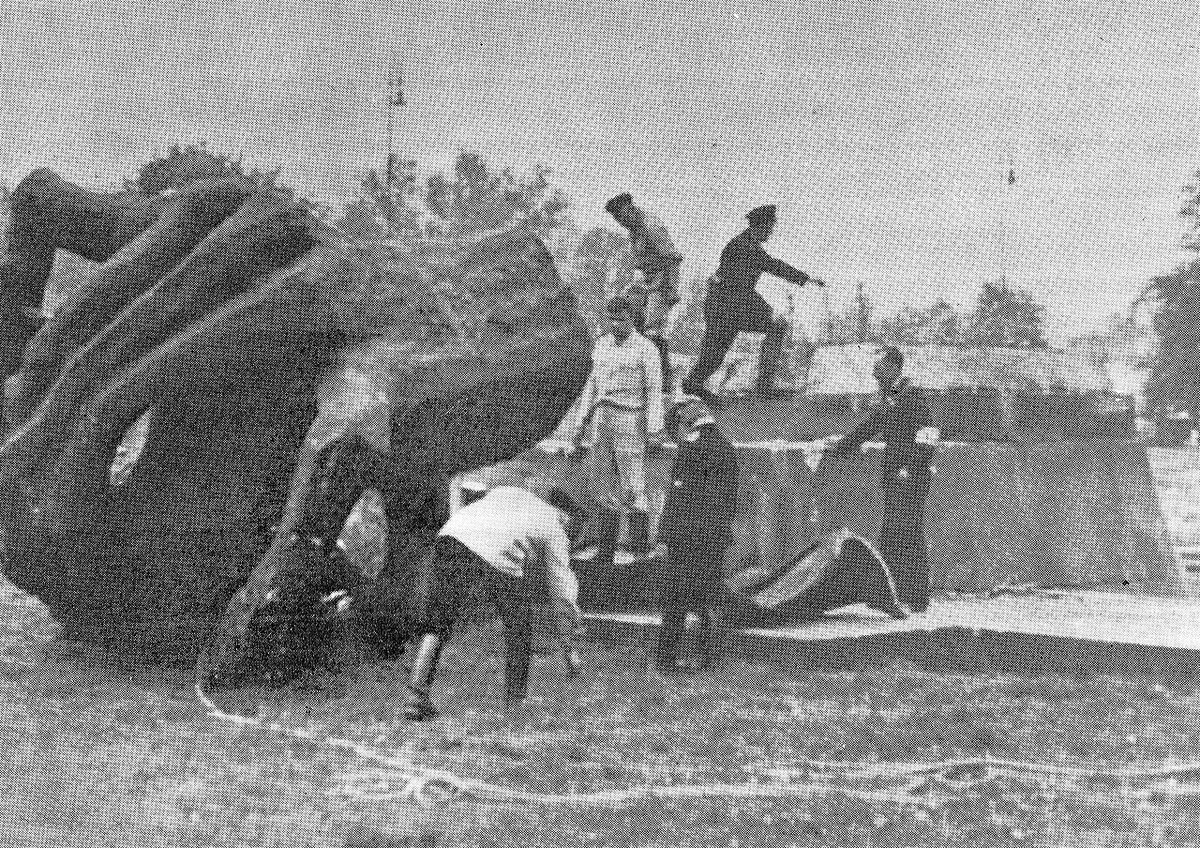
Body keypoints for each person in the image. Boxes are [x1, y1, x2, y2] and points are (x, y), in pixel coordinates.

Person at [403, 485, 588, 720]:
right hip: (494, 550)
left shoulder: (511, 492)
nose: (571, 536)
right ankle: (515, 705)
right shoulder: (555, 526)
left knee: (439, 621)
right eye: (573, 530)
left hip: (452, 535)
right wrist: (570, 648)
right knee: (519, 625)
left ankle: (416, 697)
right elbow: (562, 592)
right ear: (565, 516)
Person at [827, 346, 936, 612]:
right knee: (895, 535)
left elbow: (929, 434)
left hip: (909, 476)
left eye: (879, 367)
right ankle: (904, 596)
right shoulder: (892, 397)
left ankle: (916, 598)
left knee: (906, 534)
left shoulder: (912, 395)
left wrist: (910, 468)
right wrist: (838, 448)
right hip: (896, 476)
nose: (874, 372)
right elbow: (870, 426)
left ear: (893, 366)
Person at [682, 204, 824, 401]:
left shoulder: (745, 244)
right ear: (761, 226)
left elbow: (765, 269)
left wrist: (805, 279)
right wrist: (806, 279)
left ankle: (696, 384)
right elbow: (772, 266)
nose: (771, 233)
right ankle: (760, 387)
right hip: (726, 304)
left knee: (717, 351)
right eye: (770, 228)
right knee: (717, 351)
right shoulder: (745, 247)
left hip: (730, 302)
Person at [570, 295, 665, 562]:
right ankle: (606, 549)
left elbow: (654, 391)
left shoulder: (646, 349)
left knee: (633, 482)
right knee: (602, 484)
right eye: (611, 319)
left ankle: (640, 549)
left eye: (621, 319)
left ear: (632, 319)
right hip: (602, 417)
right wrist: (580, 425)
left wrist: (655, 429)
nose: (615, 324)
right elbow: (592, 387)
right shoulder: (601, 345)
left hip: (629, 418)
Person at [655, 396, 740, 673]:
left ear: (684, 424)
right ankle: (709, 658)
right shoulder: (727, 448)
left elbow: (678, 497)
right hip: (714, 537)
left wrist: (665, 536)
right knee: (710, 597)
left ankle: (667, 661)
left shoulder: (690, 449)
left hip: (687, 537)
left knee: (676, 600)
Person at [604, 193, 682, 387]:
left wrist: (669, 289)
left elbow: (672, 259)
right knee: (627, 315)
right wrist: (635, 287)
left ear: (631, 209)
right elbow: (640, 263)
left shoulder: (650, 226)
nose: (621, 222)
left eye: (622, 217)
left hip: (663, 279)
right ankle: (634, 374)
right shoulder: (634, 230)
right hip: (646, 279)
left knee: (653, 331)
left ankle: (663, 380)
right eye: (617, 219)